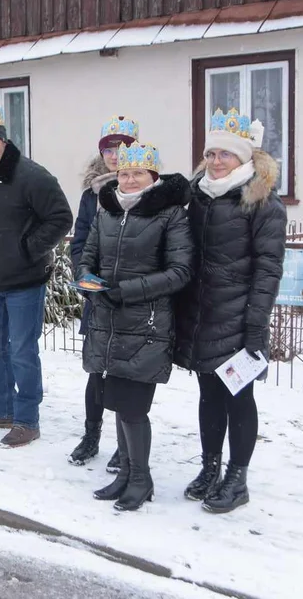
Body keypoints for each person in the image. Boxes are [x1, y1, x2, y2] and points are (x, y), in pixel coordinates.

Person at [176, 109, 287, 514]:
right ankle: (210, 468)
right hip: (202, 314)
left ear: (244, 159)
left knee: (239, 399)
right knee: (209, 395)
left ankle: (237, 477)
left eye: (226, 154)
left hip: (239, 317)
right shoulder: (198, 196)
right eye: (211, 153)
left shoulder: (263, 204)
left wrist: (255, 325)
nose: (217, 161)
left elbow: (268, 269)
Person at [76, 143, 193, 511]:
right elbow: (87, 257)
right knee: (117, 402)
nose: (129, 179)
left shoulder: (170, 215)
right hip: (108, 321)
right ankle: (126, 473)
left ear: (152, 177)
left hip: (146, 324)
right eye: (124, 173)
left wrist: (123, 292)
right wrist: (88, 284)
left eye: (138, 173)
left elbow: (179, 272)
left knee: (133, 408)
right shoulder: (106, 212)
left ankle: (141, 479)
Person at [0, 102, 72, 447]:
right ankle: (1, 407)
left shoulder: (31, 176)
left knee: (22, 350)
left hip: (24, 282)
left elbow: (60, 218)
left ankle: (27, 418)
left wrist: (26, 250)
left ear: (4, 141)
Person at [69, 117, 140, 469]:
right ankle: (91, 435)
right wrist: (86, 282)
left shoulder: (145, 191)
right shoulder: (92, 194)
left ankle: (124, 444)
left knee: (126, 375)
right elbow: (80, 243)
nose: (115, 156)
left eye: (123, 148)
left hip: (131, 298)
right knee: (96, 371)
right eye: (109, 149)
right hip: (97, 298)